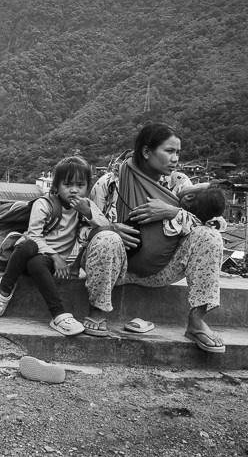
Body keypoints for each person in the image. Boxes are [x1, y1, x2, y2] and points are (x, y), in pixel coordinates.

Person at [82, 123, 227, 353]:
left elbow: (211, 223)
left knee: (210, 237)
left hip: (162, 270)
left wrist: (172, 212)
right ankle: (97, 311)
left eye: (178, 152)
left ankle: (197, 321)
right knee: (107, 238)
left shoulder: (179, 183)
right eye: (169, 151)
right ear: (147, 152)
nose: (175, 159)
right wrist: (109, 228)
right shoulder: (111, 183)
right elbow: (83, 231)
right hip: (115, 267)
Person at [0, 156, 110, 336]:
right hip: (25, 255)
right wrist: (55, 256)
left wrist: (88, 212)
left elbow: (106, 228)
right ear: (56, 186)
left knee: (37, 263)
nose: (74, 190)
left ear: (87, 187)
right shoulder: (44, 204)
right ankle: (4, 288)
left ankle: (58, 316)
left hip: (43, 265)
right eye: (68, 184)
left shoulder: (85, 206)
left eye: (80, 185)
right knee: (28, 246)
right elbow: (34, 236)